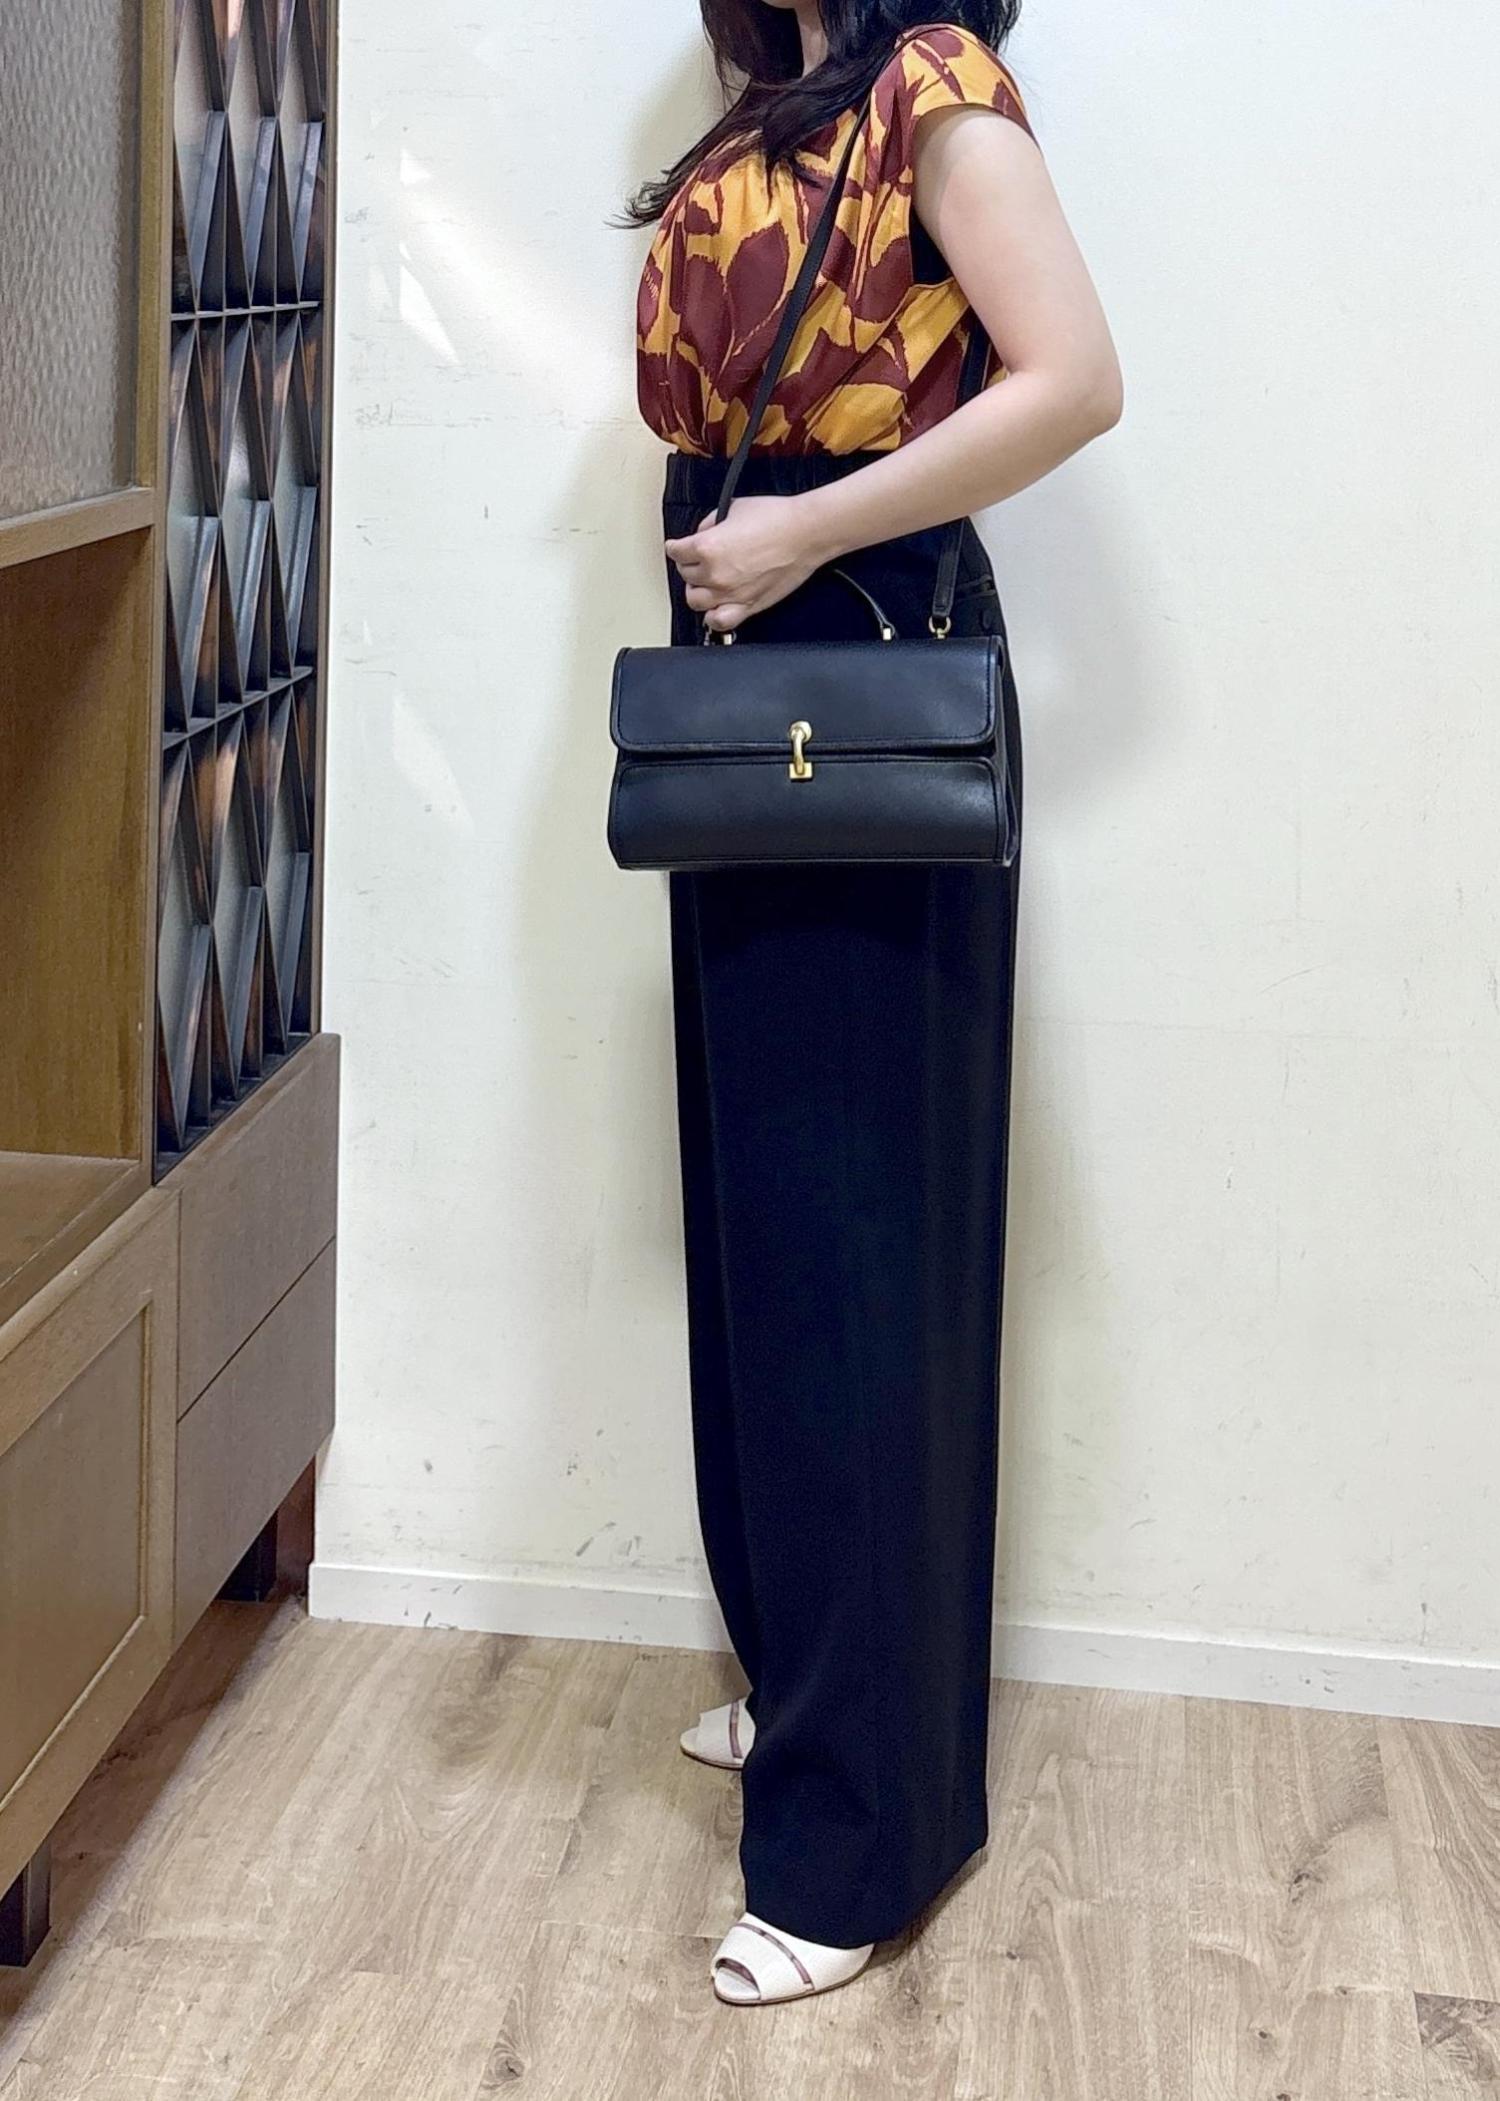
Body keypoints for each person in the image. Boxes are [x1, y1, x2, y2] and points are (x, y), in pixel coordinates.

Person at [625, 1, 1122, 2006]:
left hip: (859, 638)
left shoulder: (937, 88)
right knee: (766, 1225)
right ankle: (812, 1684)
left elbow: (1075, 378)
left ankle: (857, 1836)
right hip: (747, 653)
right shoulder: (783, 93)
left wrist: (804, 531)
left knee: (852, 1240)